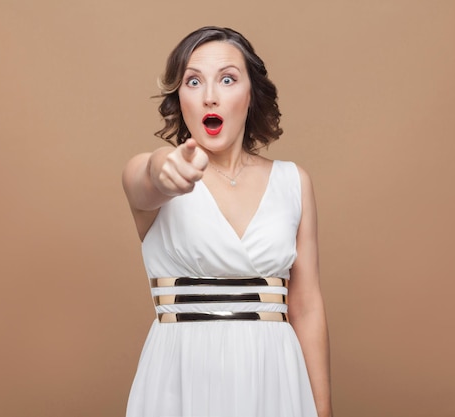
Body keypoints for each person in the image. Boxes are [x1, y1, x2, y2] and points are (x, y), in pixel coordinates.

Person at [122, 26, 332, 417]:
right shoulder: (157, 172)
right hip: (180, 377)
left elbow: (306, 307)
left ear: (251, 95)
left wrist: (322, 411)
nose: (210, 96)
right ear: (179, 98)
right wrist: (163, 171)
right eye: (194, 81)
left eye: (228, 79)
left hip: (274, 377)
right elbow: (144, 180)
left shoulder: (294, 182)